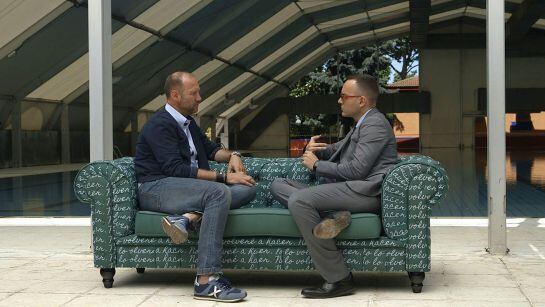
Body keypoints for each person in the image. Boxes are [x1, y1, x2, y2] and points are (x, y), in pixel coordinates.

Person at [270, 74, 399, 298]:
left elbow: (357, 170)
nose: (339, 101)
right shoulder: (362, 124)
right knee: (278, 184)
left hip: (364, 191)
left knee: (299, 200)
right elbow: (336, 149)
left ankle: (339, 277)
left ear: (361, 101)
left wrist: (317, 166)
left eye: (343, 96)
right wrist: (313, 149)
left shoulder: (375, 124)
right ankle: (336, 216)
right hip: (349, 189)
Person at [135, 71, 256, 302]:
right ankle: (206, 281)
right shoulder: (160, 124)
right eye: (194, 93)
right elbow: (175, 169)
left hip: (186, 189)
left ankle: (188, 218)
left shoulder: (188, 123)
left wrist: (234, 155)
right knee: (219, 193)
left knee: (249, 187)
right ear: (175, 95)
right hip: (156, 188)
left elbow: (211, 150)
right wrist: (224, 178)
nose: (200, 98)